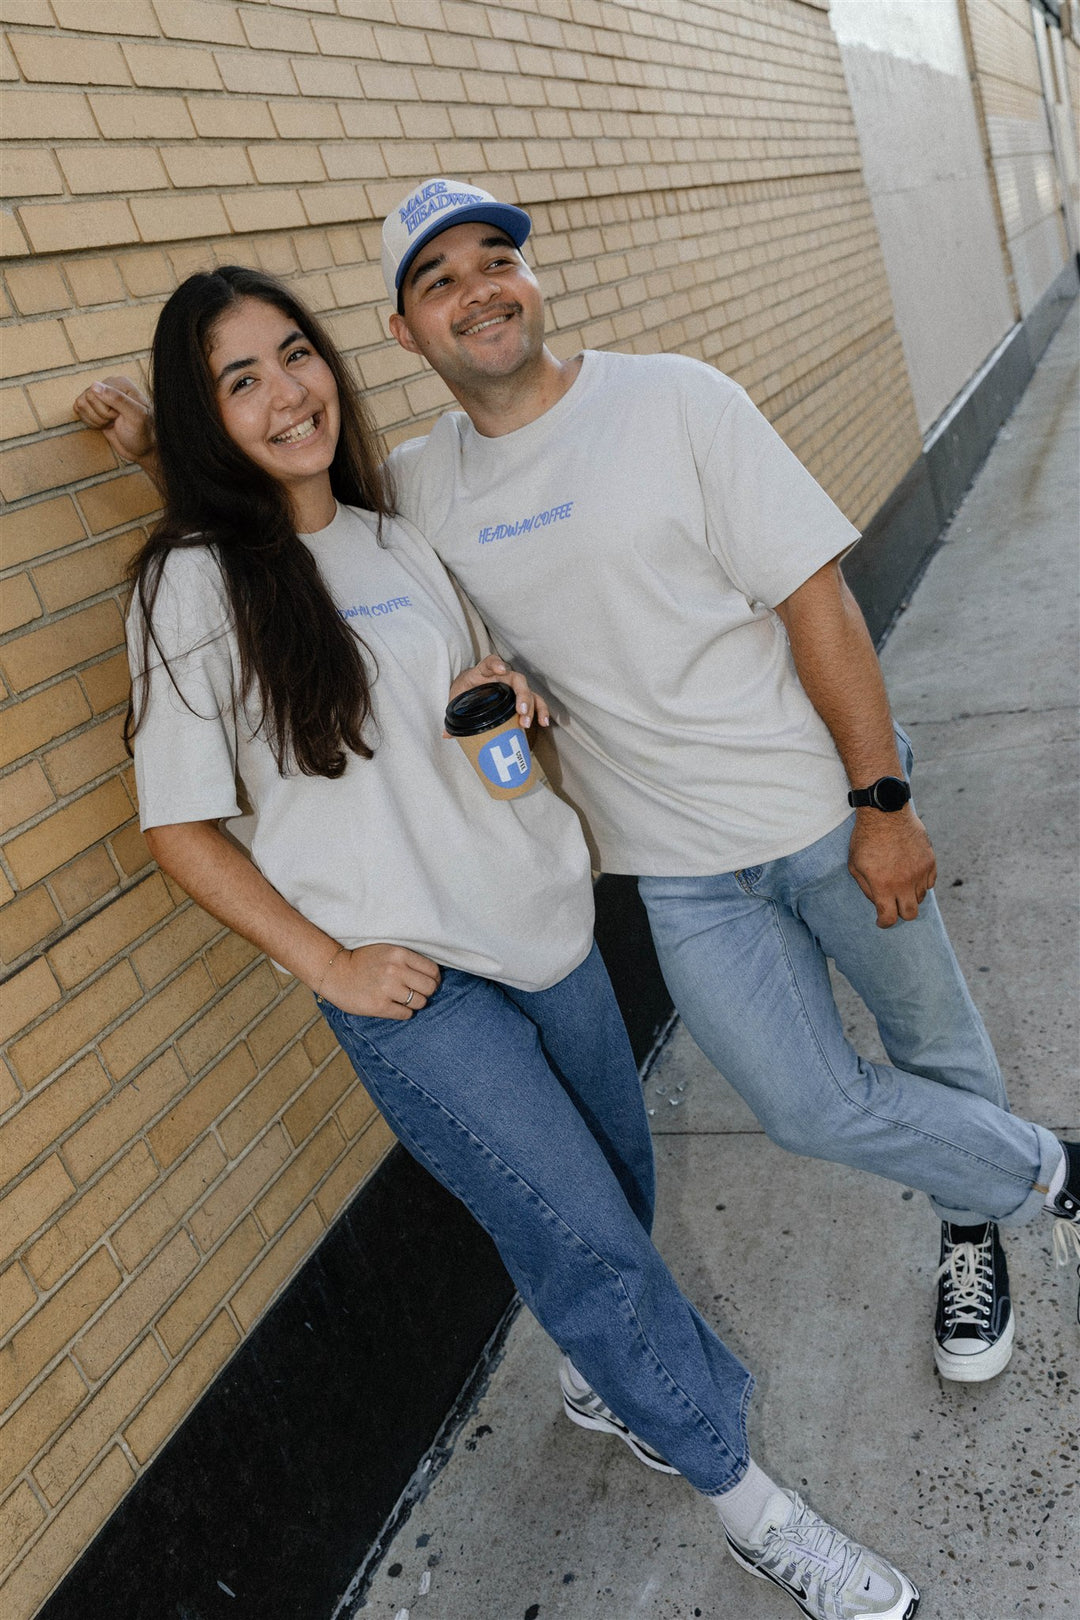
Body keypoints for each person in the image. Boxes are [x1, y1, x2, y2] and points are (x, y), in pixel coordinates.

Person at [75, 267, 922, 1620]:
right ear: (203, 412)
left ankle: (603, 1373)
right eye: (238, 379)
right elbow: (181, 827)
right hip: (415, 990)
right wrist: (329, 964)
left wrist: (506, 708)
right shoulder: (189, 585)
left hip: (545, 931)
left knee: (608, 1188)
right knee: (593, 1240)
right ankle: (745, 1495)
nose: (285, 391)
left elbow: (478, 732)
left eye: (294, 356)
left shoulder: (394, 538)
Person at [373, 178, 1080, 1383]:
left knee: (932, 1045)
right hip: (680, 871)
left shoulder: (674, 400)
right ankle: (1047, 1173)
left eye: (497, 260)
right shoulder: (415, 485)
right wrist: (156, 447)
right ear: (405, 332)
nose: (477, 292)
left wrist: (883, 801)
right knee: (804, 1104)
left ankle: (974, 1222)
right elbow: (288, 521)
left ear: (531, 281)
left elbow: (817, 597)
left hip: (820, 809)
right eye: (438, 281)